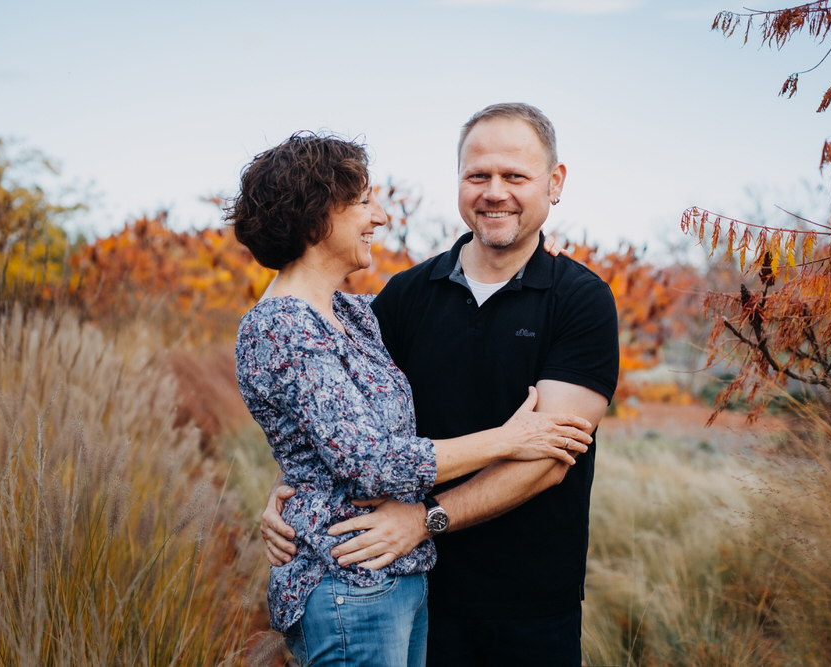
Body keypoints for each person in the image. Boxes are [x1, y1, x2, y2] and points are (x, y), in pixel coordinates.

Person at [260, 104, 620, 666]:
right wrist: (295, 496)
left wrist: (424, 521)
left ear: (555, 184)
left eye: (515, 177)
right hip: (409, 593)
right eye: (478, 176)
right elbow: (335, 412)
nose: (494, 192)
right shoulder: (405, 296)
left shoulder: (582, 302)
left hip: (528, 604)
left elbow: (550, 455)